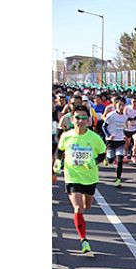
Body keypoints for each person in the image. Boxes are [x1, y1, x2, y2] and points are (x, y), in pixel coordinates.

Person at [53, 105, 106, 253]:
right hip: (72, 176)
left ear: (88, 120)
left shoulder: (94, 138)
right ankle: (83, 240)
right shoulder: (67, 135)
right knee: (78, 208)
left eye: (83, 118)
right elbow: (60, 150)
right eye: (77, 117)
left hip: (89, 177)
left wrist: (93, 161)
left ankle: (83, 219)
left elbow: (102, 154)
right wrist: (58, 161)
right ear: (72, 119)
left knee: (87, 206)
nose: (80, 121)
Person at [102, 99, 129, 187]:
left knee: (120, 159)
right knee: (110, 159)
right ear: (115, 105)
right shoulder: (111, 115)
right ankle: (106, 157)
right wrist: (109, 135)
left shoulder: (125, 116)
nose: (121, 107)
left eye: (123, 105)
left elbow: (124, 127)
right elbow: (104, 126)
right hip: (111, 141)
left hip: (120, 140)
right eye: (119, 105)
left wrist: (125, 135)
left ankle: (118, 179)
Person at [123, 96, 136, 163]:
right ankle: (125, 155)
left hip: (135, 129)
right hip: (127, 129)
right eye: (133, 101)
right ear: (131, 101)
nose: (135, 103)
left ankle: (133, 156)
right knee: (127, 143)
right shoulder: (127, 108)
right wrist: (125, 124)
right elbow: (124, 117)